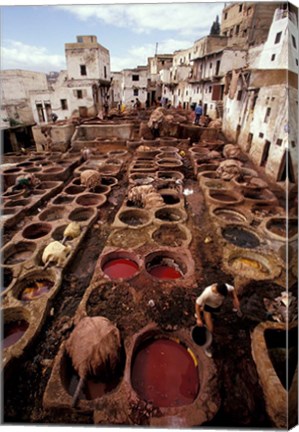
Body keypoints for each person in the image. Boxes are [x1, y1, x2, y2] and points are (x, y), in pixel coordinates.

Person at [195, 282, 240, 357]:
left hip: (216, 306)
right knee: (210, 329)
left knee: (213, 309)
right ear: (218, 293)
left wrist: (235, 299)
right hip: (208, 308)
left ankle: (200, 311)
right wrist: (199, 319)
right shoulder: (207, 293)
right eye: (222, 295)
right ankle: (206, 347)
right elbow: (197, 304)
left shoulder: (224, 287)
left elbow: (232, 289)